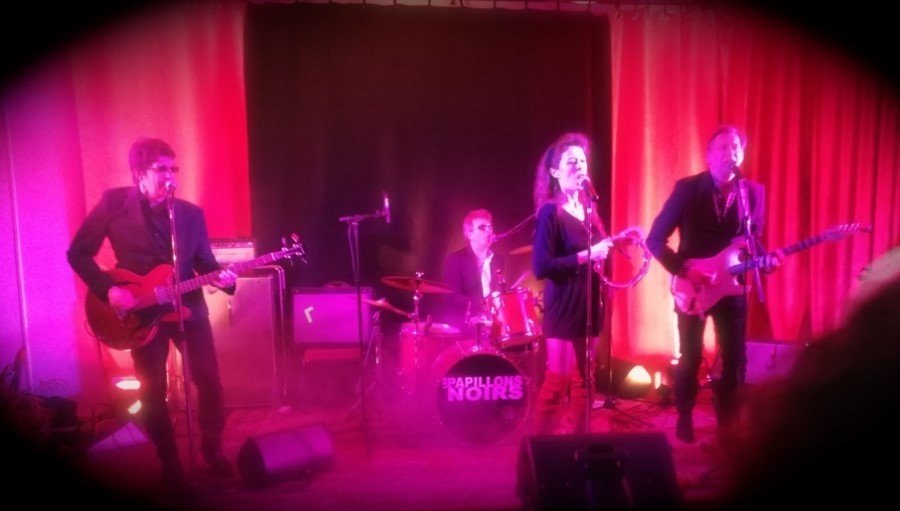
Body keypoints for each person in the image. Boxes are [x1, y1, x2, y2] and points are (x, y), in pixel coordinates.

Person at [67, 137, 238, 490]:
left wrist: (222, 278)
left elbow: (204, 262)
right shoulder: (114, 204)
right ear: (139, 173)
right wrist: (109, 289)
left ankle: (212, 448)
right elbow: (78, 252)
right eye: (161, 169)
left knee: (208, 378)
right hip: (140, 311)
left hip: (187, 308)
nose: (170, 176)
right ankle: (169, 459)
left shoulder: (190, 213)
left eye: (173, 168)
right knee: (152, 389)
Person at [646, 124, 783, 447]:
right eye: (721, 147)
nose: (729, 153)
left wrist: (767, 261)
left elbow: (752, 240)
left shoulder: (753, 193)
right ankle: (685, 412)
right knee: (690, 355)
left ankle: (727, 423)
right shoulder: (688, 189)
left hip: (732, 287)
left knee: (736, 357)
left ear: (742, 154)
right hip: (693, 286)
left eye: (735, 147)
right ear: (708, 156)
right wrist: (685, 270)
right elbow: (655, 239)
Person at [531, 132, 613, 435]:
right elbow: (541, 266)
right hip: (564, 302)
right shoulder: (550, 212)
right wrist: (587, 255)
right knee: (558, 381)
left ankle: (578, 443)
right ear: (555, 172)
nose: (579, 165)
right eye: (571, 161)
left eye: (583, 160)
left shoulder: (590, 210)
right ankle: (540, 448)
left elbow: (595, 255)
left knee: (585, 381)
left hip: (589, 302)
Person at [441, 208, 506, 341]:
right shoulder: (455, 260)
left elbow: (498, 292)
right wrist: (482, 304)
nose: (489, 231)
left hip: (489, 323)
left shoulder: (498, 260)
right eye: (482, 228)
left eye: (490, 227)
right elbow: (451, 297)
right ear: (470, 234)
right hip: (464, 325)